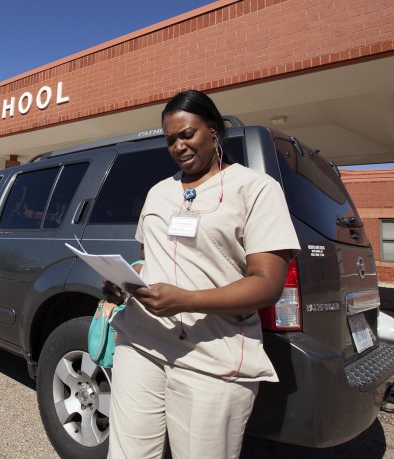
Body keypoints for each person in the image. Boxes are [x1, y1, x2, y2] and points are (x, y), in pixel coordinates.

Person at [105, 90, 300, 459]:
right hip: (141, 344)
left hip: (212, 354)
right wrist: (125, 282)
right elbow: (149, 260)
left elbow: (268, 283)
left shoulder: (255, 189)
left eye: (187, 134)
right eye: (170, 140)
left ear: (213, 131)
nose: (178, 146)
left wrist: (187, 300)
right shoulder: (159, 193)